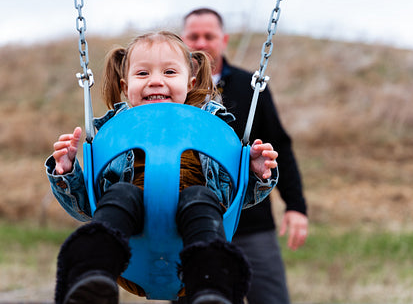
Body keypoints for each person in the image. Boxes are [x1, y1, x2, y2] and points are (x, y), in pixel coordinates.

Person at [45, 31, 281, 304]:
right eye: (142, 74)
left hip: (189, 251)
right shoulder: (112, 133)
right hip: (131, 255)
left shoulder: (211, 127)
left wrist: (255, 173)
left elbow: (237, 198)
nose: (156, 81)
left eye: (169, 72)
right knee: (121, 194)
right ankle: (90, 278)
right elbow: (89, 206)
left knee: (201, 197)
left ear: (190, 82)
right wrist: (67, 172)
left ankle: (212, 292)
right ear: (125, 85)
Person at [182, 8, 308, 304]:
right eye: (193, 36)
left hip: (251, 221)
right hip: (188, 223)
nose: (201, 43)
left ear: (223, 39)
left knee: (271, 298)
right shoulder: (170, 90)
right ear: (182, 40)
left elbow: (279, 147)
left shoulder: (251, 86)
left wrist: (296, 205)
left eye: (209, 36)